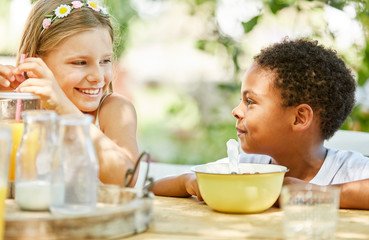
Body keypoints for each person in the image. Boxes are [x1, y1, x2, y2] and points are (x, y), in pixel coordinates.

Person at [152, 38, 369, 209]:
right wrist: (187, 182)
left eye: (250, 101)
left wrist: (316, 193)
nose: (236, 111)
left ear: (299, 118)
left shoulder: (348, 170)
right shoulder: (247, 166)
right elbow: (152, 187)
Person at [0, 0, 139, 186]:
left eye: (105, 61)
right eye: (80, 63)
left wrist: (64, 107)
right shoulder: (18, 113)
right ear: (37, 64)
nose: (98, 76)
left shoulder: (114, 110)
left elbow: (126, 178)